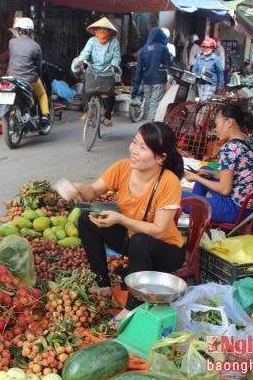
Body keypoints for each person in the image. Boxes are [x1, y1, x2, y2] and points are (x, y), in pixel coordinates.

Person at [71, 122, 185, 325]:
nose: (134, 150)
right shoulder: (122, 168)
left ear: (160, 158)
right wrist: (81, 189)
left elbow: (158, 231)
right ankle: (102, 283)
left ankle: (133, 304)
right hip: (133, 241)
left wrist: (121, 219)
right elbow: (94, 191)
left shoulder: (169, 182)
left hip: (166, 251)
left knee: (141, 240)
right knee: (86, 219)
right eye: (134, 143)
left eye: (143, 148)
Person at [183, 104, 253, 223]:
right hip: (249, 206)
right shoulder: (249, 141)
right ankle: (195, 217)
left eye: (217, 124)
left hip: (236, 210)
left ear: (230, 122)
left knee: (177, 196)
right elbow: (239, 174)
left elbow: (224, 189)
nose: (216, 129)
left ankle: (195, 211)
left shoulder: (230, 148)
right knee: (205, 169)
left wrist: (195, 177)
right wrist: (210, 173)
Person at [72, 17, 121, 127]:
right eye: (100, 29)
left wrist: (114, 65)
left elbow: (116, 57)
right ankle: (86, 111)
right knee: (86, 90)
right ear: (95, 31)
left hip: (107, 71)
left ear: (110, 32)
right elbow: (85, 53)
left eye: (105, 30)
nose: (102, 32)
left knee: (111, 94)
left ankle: (107, 116)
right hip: (92, 70)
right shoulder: (92, 41)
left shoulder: (114, 42)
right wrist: (80, 61)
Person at [8, 17, 51, 127]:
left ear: (19, 30)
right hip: (30, 79)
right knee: (42, 94)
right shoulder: (36, 46)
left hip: (13, 78)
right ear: (31, 31)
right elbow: (38, 65)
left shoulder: (11, 42)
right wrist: (38, 75)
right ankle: (45, 115)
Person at [132, 27, 172, 122]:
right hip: (159, 80)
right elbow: (169, 65)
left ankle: (148, 123)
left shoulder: (143, 50)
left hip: (147, 80)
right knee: (155, 102)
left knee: (148, 102)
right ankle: (150, 123)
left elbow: (138, 69)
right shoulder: (163, 48)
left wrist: (135, 90)